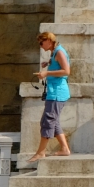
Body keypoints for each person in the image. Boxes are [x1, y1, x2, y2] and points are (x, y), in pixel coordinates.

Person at [29, 30, 71, 162]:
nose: (40, 46)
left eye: (41, 43)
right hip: (54, 92)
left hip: (57, 92)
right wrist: (48, 64)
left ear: (48, 40)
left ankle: (41, 152)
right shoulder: (55, 52)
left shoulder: (59, 52)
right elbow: (59, 65)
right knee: (53, 121)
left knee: (48, 121)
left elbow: (66, 71)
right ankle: (64, 149)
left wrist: (46, 73)